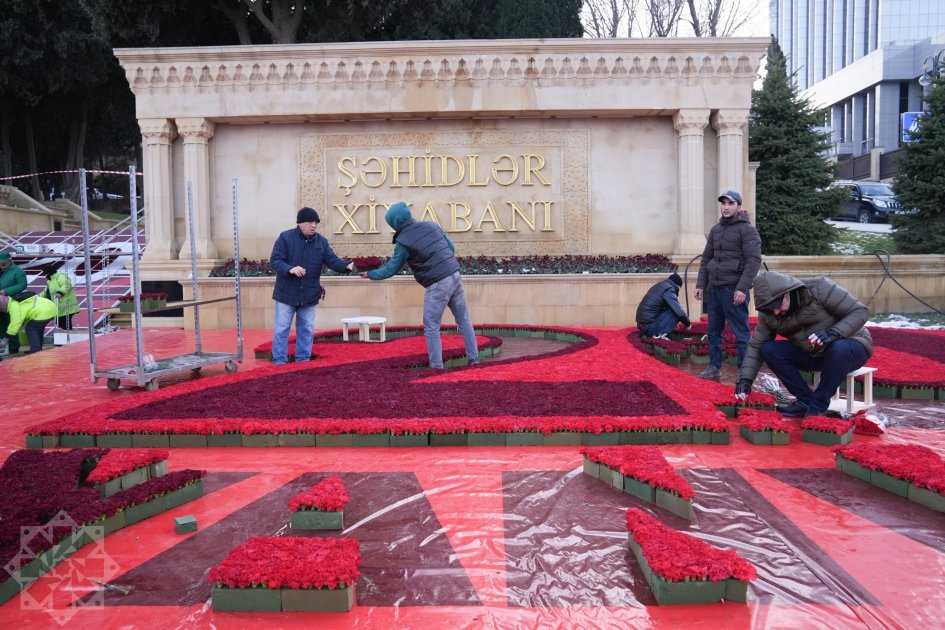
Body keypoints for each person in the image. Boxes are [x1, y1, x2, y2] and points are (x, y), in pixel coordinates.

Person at [733, 271, 873, 418]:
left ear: (787, 293)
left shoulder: (819, 289)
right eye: (769, 308)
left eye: (777, 305)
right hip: (813, 352)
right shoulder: (769, 315)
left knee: (839, 348)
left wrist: (833, 333)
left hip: (851, 346)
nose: (775, 311)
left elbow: (860, 311)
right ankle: (806, 401)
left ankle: (817, 407)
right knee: (769, 350)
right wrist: (745, 379)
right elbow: (756, 345)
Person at [359, 202, 479, 369]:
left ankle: (436, 366)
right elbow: (451, 247)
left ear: (395, 223)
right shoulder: (431, 225)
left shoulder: (403, 242)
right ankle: (474, 359)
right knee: (463, 319)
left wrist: (370, 274)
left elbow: (391, 269)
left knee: (431, 326)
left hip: (437, 283)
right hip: (455, 274)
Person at [269, 207, 354, 365]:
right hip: (286, 294)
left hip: (309, 294)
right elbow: (275, 261)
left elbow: (332, 260)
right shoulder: (285, 238)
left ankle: (303, 360)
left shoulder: (321, 242)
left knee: (306, 329)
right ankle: (279, 361)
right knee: (281, 329)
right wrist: (290, 269)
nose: (314, 225)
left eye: (316, 222)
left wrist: (346, 266)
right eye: (310, 222)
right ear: (300, 223)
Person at [694, 190, 762, 379]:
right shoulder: (716, 230)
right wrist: (701, 284)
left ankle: (744, 372)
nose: (726, 207)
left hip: (733, 290)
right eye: (723, 203)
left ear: (739, 207)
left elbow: (753, 261)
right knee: (713, 332)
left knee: (741, 333)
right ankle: (714, 366)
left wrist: (742, 288)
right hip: (714, 289)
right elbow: (706, 257)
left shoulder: (747, 230)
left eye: (730, 204)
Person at [635, 272, 691, 338]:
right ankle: (657, 335)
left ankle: (656, 332)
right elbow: (679, 311)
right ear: (677, 286)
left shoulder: (660, 286)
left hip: (643, 325)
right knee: (676, 312)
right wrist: (688, 324)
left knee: (673, 309)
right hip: (649, 327)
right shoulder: (669, 289)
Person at [0, 251, 27, 354]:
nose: (1, 265)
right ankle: (2, 347)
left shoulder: (18, 271)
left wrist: (6, 291)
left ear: (10, 261)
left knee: (12, 324)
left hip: (11, 302)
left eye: (3, 263)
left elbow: (22, 285)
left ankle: (14, 347)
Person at [43, 264, 80, 330]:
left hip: (66, 307)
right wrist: (37, 297)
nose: (45, 276)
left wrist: (61, 292)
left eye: (45, 274)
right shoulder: (50, 281)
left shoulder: (60, 277)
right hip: (60, 308)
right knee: (61, 325)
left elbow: (66, 284)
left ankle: (68, 339)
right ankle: (64, 339)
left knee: (65, 325)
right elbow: (46, 291)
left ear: (48, 273)